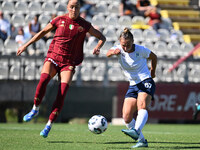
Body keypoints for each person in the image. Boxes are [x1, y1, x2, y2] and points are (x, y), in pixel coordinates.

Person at [17, 0, 106, 138]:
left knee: (62, 92)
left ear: (79, 8)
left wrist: (98, 47)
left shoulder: (84, 25)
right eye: (72, 7)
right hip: (53, 57)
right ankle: (35, 108)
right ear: (67, 7)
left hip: (68, 63)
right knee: (44, 79)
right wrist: (25, 45)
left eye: (77, 7)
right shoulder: (59, 20)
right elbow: (42, 32)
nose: (74, 9)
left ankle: (48, 125)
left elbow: (102, 37)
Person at [106, 28, 157, 148]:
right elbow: (107, 53)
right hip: (133, 85)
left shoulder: (140, 50)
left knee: (142, 105)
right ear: (120, 42)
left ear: (133, 41)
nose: (125, 48)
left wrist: (152, 71)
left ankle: (137, 130)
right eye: (123, 45)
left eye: (128, 45)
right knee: (126, 116)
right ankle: (142, 141)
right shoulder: (118, 48)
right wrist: (114, 52)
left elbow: (154, 57)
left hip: (145, 80)